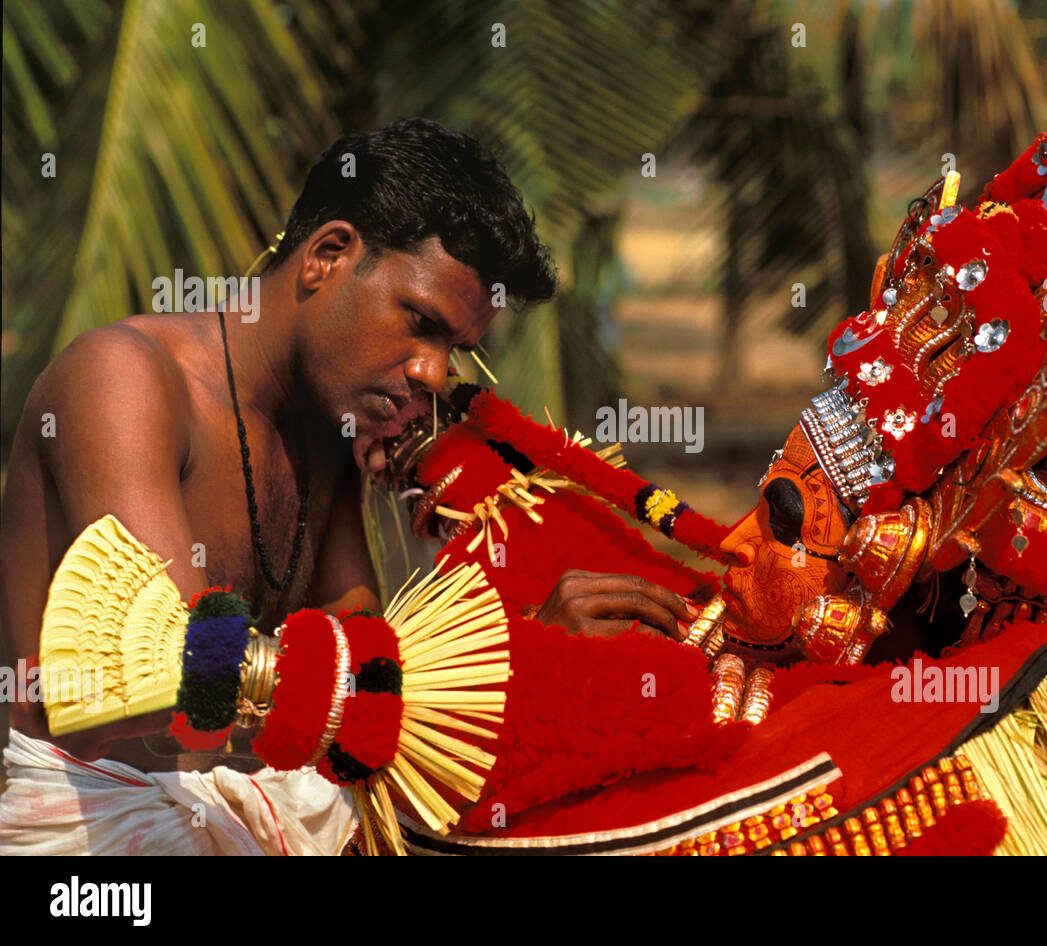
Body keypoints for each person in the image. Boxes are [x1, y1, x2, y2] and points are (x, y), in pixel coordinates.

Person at [0, 118, 691, 854]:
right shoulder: (123, 377)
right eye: (419, 322)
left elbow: (368, 659)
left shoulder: (327, 427)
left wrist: (530, 643)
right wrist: (510, 664)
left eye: (454, 349)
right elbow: (183, 674)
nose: (433, 373)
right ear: (328, 256)